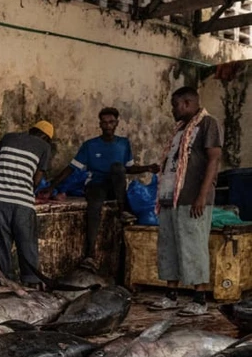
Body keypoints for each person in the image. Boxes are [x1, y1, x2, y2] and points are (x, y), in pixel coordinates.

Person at [43, 107, 159, 269]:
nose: (108, 126)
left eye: (111, 122)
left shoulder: (123, 144)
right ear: (100, 124)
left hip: (116, 187)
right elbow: (72, 168)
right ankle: (90, 255)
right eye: (104, 123)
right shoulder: (90, 145)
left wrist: (147, 167)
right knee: (94, 206)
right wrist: (52, 186)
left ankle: (122, 211)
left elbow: (129, 168)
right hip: (96, 185)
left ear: (117, 123)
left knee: (118, 168)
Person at [149, 86, 223, 317]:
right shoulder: (180, 129)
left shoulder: (207, 124)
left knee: (193, 246)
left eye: (175, 105)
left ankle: (199, 299)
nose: (173, 109)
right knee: (168, 246)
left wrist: (202, 195)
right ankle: (171, 294)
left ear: (187, 103)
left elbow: (213, 160)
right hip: (171, 197)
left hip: (193, 198)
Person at [0, 120, 53, 287]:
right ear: (45, 137)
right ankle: (31, 284)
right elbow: (36, 180)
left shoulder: (8, 137)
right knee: (27, 245)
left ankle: (4, 285)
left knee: (1, 246)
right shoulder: (44, 147)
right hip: (22, 201)